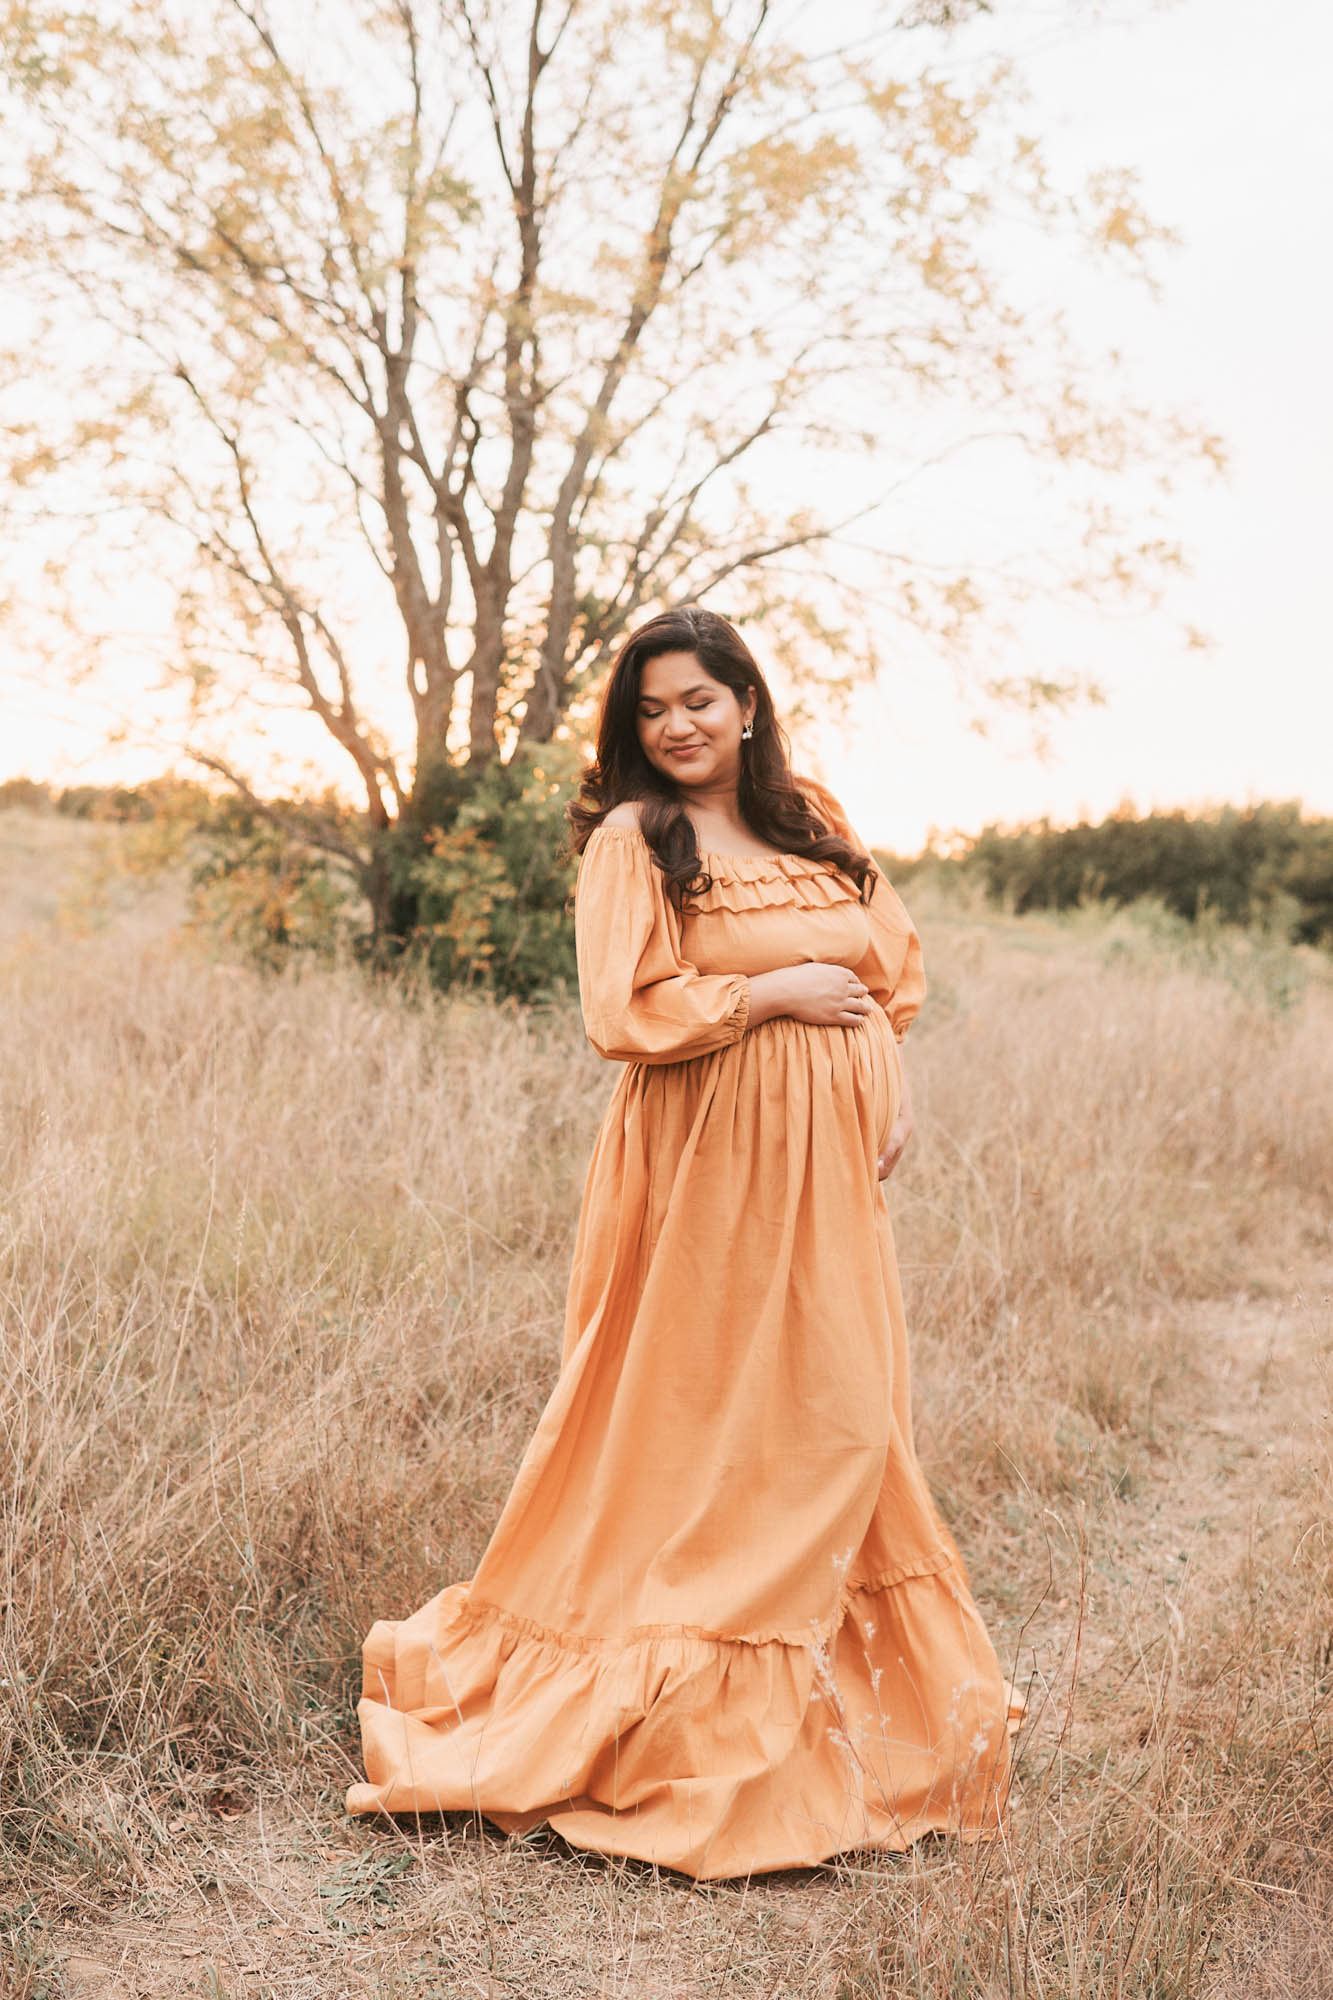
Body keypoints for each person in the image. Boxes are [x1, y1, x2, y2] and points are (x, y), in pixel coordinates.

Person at [347, 605, 1016, 1879]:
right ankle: (689, 1701)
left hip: (823, 1175)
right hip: (701, 1164)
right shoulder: (632, 839)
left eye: (699, 701)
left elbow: (883, 977)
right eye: (653, 708)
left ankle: (850, 1702)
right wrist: (771, 993)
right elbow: (620, 1010)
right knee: (697, 1413)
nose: (678, 726)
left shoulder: (810, 815)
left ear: (747, 703)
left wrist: (888, 1071)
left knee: (840, 1408)